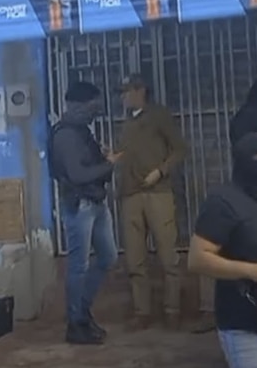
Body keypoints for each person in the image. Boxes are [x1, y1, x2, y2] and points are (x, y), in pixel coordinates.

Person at [189, 132, 257, 368]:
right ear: (252, 163)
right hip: (248, 332)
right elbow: (197, 258)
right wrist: (251, 271)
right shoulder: (223, 202)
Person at [50, 80, 120, 345]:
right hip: (80, 206)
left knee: (108, 257)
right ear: (78, 105)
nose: (96, 111)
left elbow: (90, 167)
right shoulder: (66, 135)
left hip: (96, 202)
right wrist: (109, 165)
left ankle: (82, 311)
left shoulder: (81, 131)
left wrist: (104, 158)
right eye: (93, 106)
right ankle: (75, 323)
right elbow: (78, 175)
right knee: (78, 266)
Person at [117, 74, 186, 330]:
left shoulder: (159, 116)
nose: (123, 97)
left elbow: (180, 149)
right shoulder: (126, 122)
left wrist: (160, 171)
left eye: (126, 91)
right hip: (130, 194)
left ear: (141, 91)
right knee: (135, 259)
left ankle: (173, 311)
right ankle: (142, 312)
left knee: (168, 256)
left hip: (159, 193)